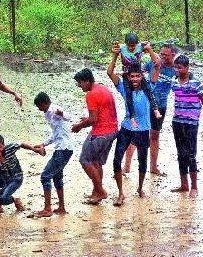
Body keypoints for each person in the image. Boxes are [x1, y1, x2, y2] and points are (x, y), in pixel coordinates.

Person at [107, 46, 159, 205]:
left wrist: (149, 50)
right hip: (126, 128)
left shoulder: (149, 86)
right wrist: (115, 56)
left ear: (142, 76)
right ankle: (121, 193)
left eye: (137, 76)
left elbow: (157, 64)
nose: (135, 79)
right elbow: (110, 73)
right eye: (132, 77)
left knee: (142, 161)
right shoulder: (124, 88)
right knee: (116, 160)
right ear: (128, 78)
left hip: (143, 130)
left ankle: (140, 187)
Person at [123, 43, 176, 176]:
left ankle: (153, 166)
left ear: (173, 55)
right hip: (145, 104)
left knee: (155, 135)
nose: (162, 56)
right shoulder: (154, 63)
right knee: (137, 134)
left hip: (161, 105)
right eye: (161, 54)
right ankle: (126, 166)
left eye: (165, 55)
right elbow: (142, 68)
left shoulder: (176, 68)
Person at [71, 68, 118, 205]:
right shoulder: (103, 88)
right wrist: (88, 118)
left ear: (86, 81)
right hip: (112, 130)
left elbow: (93, 120)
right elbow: (103, 111)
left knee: (85, 160)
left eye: (79, 83)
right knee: (96, 162)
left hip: (100, 133)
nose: (79, 86)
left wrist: (79, 126)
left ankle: (100, 190)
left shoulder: (91, 95)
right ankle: (96, 192)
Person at [170, 55, 203, 198]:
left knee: (191, 154)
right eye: (176, 67)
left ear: (187, 68)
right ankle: (184, 184)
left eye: (180, 67)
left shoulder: (196, 83)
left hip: (191, 123)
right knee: (181, 154)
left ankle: (194, 187)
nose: (177, 70)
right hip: (177, 121)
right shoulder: (174, 81)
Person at [32, 92, 73, 217]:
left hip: (63, 149)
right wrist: (44, 144)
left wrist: (62, 114)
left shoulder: (54, 109)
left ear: (43, 103)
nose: (39, 109)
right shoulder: (48, 114)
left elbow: (68, 116)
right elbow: (55, 133)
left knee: (45, 176)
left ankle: (47, 208)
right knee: (56, 176)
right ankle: (61, 207)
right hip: (63, 148)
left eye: (39, 106)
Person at [0, 134, 44, 214]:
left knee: (3, 199)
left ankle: (15, 199)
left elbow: (21, 144)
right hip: (1, 175)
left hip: (16, 176)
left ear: (4, 146)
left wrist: (34, 150)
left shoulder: (10, 148)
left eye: (0, 147)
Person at [114, 33, 162, 129]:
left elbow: (156, 60)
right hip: (127, 76)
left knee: (148, 90)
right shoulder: (122, 48)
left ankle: (155, 109)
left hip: (138, 74)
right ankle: (132, 118)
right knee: (128, 96)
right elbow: (115, 48)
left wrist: (149, 49)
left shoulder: (140, 46)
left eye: (133, 46)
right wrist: (114, 51)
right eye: (129, 46)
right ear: (126, 44)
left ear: (136, 44)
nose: (131, 48)